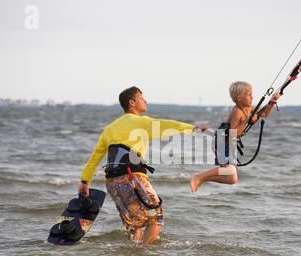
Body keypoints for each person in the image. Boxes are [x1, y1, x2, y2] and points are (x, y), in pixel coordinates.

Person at [78, 87, 208, 245]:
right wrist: (192, 128)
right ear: (132, 102)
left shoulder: (109, 128)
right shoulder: (141, 122)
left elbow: (95, 157)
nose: (145, 100)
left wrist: (85, 182)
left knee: (134, 223)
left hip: (112, 181)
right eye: (141, 97)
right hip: (131, 177)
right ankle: (146, 253)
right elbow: (164, 125)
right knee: (156, 216)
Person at [190, 81, 281, 193]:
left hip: (230, 142)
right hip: (221, 141)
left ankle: (202, 178)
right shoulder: (237, 112)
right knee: (230, 169)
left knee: (232, 179)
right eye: (249, 95)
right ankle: (199, 177)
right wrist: (247, 121)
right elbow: (235, 132)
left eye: (252, 94)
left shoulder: (250, 108)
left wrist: (273, 101)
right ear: (238, 98)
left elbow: (265, 114)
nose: (252, 97)